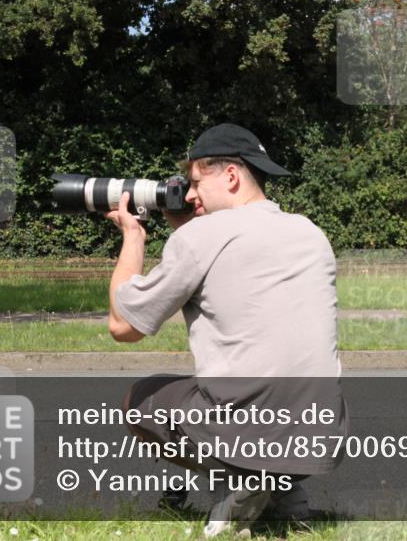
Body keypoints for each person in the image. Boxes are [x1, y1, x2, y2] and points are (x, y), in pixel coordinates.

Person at [104, 123, 345, 536]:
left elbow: (123, 326)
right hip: (322, 432)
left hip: (249, 430)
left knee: (138, 399)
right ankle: (287, 498)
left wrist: (133, 236)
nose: (192, 194)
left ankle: (239, 485)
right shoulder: (310, 233)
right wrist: (187, 229)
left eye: (197, 182)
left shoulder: (201, 236)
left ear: (230, 176)